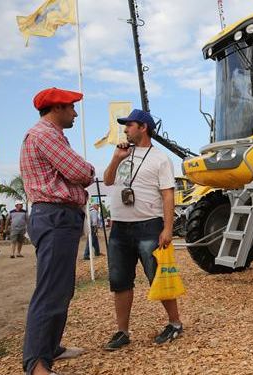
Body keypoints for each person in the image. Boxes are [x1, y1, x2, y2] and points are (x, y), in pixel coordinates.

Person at [20, 87, 95, 375]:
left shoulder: (48, 135)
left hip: (55, 217)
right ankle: (37, 364)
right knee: (51, 291)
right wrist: (85, 172)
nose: (75, 113)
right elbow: (81, 172)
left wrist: (81, 172)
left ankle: (49, 349)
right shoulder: (45, 135)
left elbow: (77, 171)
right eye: (71, 107)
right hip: (55, 216)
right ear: (56, 109)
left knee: (60, 289)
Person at [103, 109, 182, 350]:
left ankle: (175, 323)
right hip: (119, 226)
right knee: (120, 280)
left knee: (158, 277)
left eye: (129, 124)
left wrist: (168, 228)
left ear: (143, 127)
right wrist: (116, 158)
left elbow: (168, 194)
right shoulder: (122, 153)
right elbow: (107, 180)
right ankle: (122, 331)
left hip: (149, 225)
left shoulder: (160, 158)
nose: (126, 129)